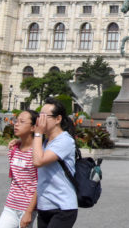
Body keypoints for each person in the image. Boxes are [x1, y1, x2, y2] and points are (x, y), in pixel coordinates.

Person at [32, 97, 78, 228]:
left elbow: (38, 161)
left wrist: (38, 134)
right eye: (39, 116)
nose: (39, 120)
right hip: (44, 206)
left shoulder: (64, 141)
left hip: (62, 207)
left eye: (44, 116)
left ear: (58, 119)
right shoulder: (45, 141)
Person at [0, 109, 38, 228]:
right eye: (16, 121)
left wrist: (29, 212)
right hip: (10, 206)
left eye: (22, 121)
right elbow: (14, 179)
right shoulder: (14, 149)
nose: (16, 124)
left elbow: (40, 184)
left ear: (33, 128)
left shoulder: (37, 152)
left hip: (27, 208)